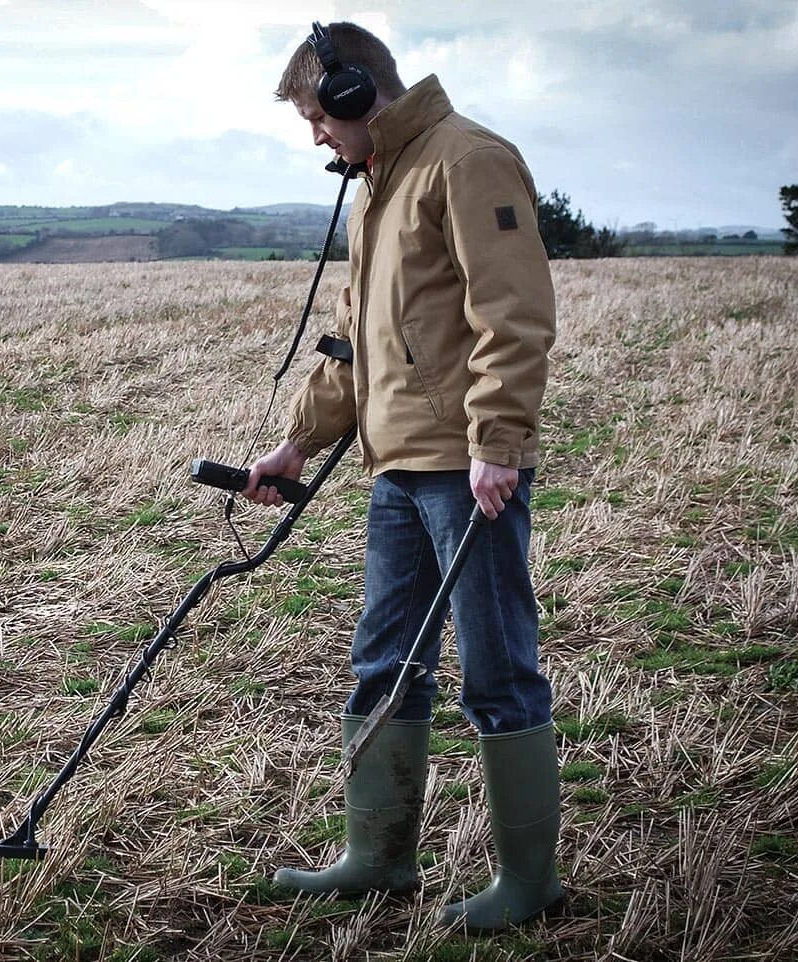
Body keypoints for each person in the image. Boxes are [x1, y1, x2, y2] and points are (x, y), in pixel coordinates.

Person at [243, 22, 562, 933]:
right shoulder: (379, 184)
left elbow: (515, 315)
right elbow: (357, 342)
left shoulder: (468, 162)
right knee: (385, 663)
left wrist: (498, 441)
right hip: (395, 472)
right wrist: (300, 441)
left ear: (354, 96)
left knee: (498, 670)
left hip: (466, 472)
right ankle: (379, 858)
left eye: (317, 118)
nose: (316, 138)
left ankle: (530, 882)